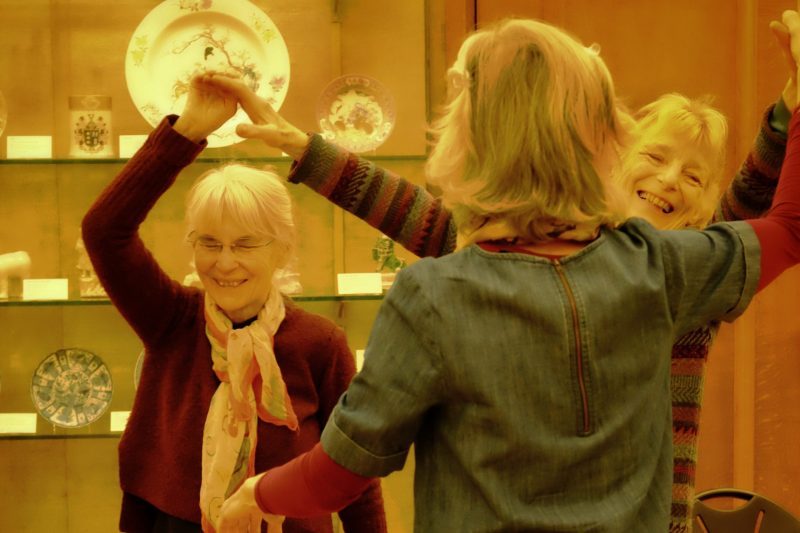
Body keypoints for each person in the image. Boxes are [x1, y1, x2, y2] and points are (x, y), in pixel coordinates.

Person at [214, 14, 800, 532]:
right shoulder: (662, 268)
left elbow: (345, 466)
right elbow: (785, 227)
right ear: (609, 147)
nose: (668, 180)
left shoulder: (439, 296)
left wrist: (258, 491)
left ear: (472, 141)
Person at [80, 74, 387, 533]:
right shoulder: (170, 321)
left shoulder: (319, 343)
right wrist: (185, 133)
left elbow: (356, 474)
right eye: (209, 243)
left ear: (282, 248)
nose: (224, 264)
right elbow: (104, 231)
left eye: (245, 245)